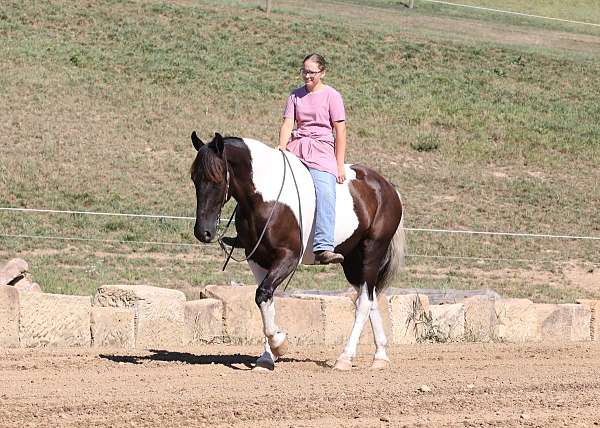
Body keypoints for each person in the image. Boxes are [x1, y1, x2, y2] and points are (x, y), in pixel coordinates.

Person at [278, 53, 347, 265]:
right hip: (297, 146)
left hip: (321, 150)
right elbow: (288, 124)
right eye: (304, 71)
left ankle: (324, 246)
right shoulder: (294, 96)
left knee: (325, 192)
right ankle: (250, 234)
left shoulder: (332, 96)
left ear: (322, 73)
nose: (307, 75)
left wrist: (339, 164)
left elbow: (340, 130)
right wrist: (281, 146)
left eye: (311, 72)